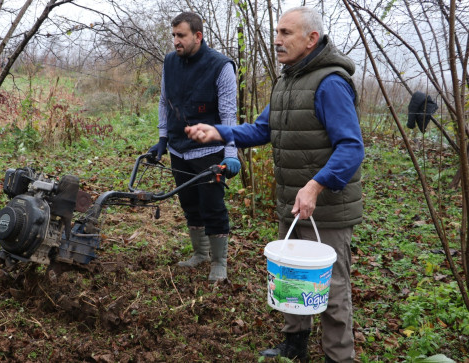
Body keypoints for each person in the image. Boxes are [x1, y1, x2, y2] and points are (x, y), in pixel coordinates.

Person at [185, 6, 364, 363]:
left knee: (331, 290)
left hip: (325, 209)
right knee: (292, 278)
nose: (277, 40)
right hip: (293, 204)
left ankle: (339, 357)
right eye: (276, 32)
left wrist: (315, 186)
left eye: (286, 33)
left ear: (311, 39)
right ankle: (294, 346)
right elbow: (262, 129)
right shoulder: (287, 79)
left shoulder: (330, 83)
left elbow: (352, 147)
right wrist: (220, 131)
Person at [148, 11, 241, 282]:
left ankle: (219, 261)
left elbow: (228, 116)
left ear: (197, 36)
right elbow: (165, 102)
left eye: (181, 36)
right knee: (189, 205)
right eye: (173, 35)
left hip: (209, 152)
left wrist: (231, 154)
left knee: (212, 206)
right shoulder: (169, 62)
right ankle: (200, 253)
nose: (175, 41)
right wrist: (163, 139)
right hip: (179, 149)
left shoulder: (221, 66)